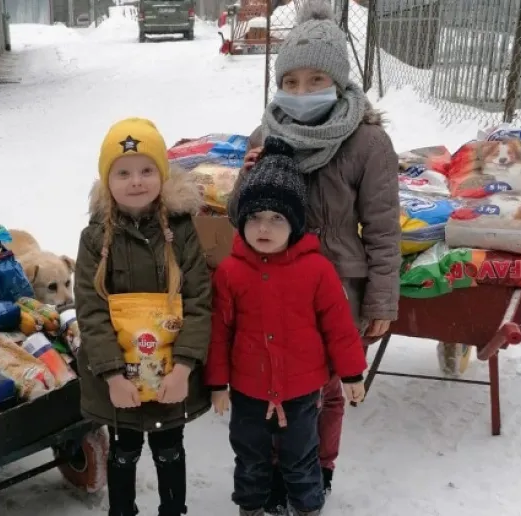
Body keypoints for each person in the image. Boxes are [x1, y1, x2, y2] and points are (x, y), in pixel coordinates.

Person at [227, 0, 401, 511]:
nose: (302, 92)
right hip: (274, 289)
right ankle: (275, 476)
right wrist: (247, 174)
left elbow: (384, 229)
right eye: (292, 81)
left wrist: (381, 302)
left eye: (317, 80)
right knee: (276, 385)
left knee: (325, 392)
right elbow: (242, 216)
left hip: (339, 289)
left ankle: (315, 475)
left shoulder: (368, 142)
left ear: (342, 82)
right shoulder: (267, 134)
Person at [207, 136, 368, 516]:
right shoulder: (231, 272)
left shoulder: (316, 270)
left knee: (300, 458)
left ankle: (308, 507)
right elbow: (219, 331)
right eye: (255, 217)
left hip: (300, 393)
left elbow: (339, 327)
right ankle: (251, 508)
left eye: (277, 218)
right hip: (247, 391)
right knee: (250, 458)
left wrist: (352, 375)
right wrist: (217, 383)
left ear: (294, 224)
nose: (264, 227)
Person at [73, 117, 212, 516]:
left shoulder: (182, 231)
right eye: (123, 172)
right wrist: (113, 376)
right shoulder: (95, 238)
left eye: (147, 170)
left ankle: (173, 510)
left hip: (170, 371)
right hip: (119, 377)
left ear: (162, 175)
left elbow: (199, 300)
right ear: (107, 180)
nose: (136, 181)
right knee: (124, 449)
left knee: (169, 447)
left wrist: (184, 368)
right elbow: (91, 308)